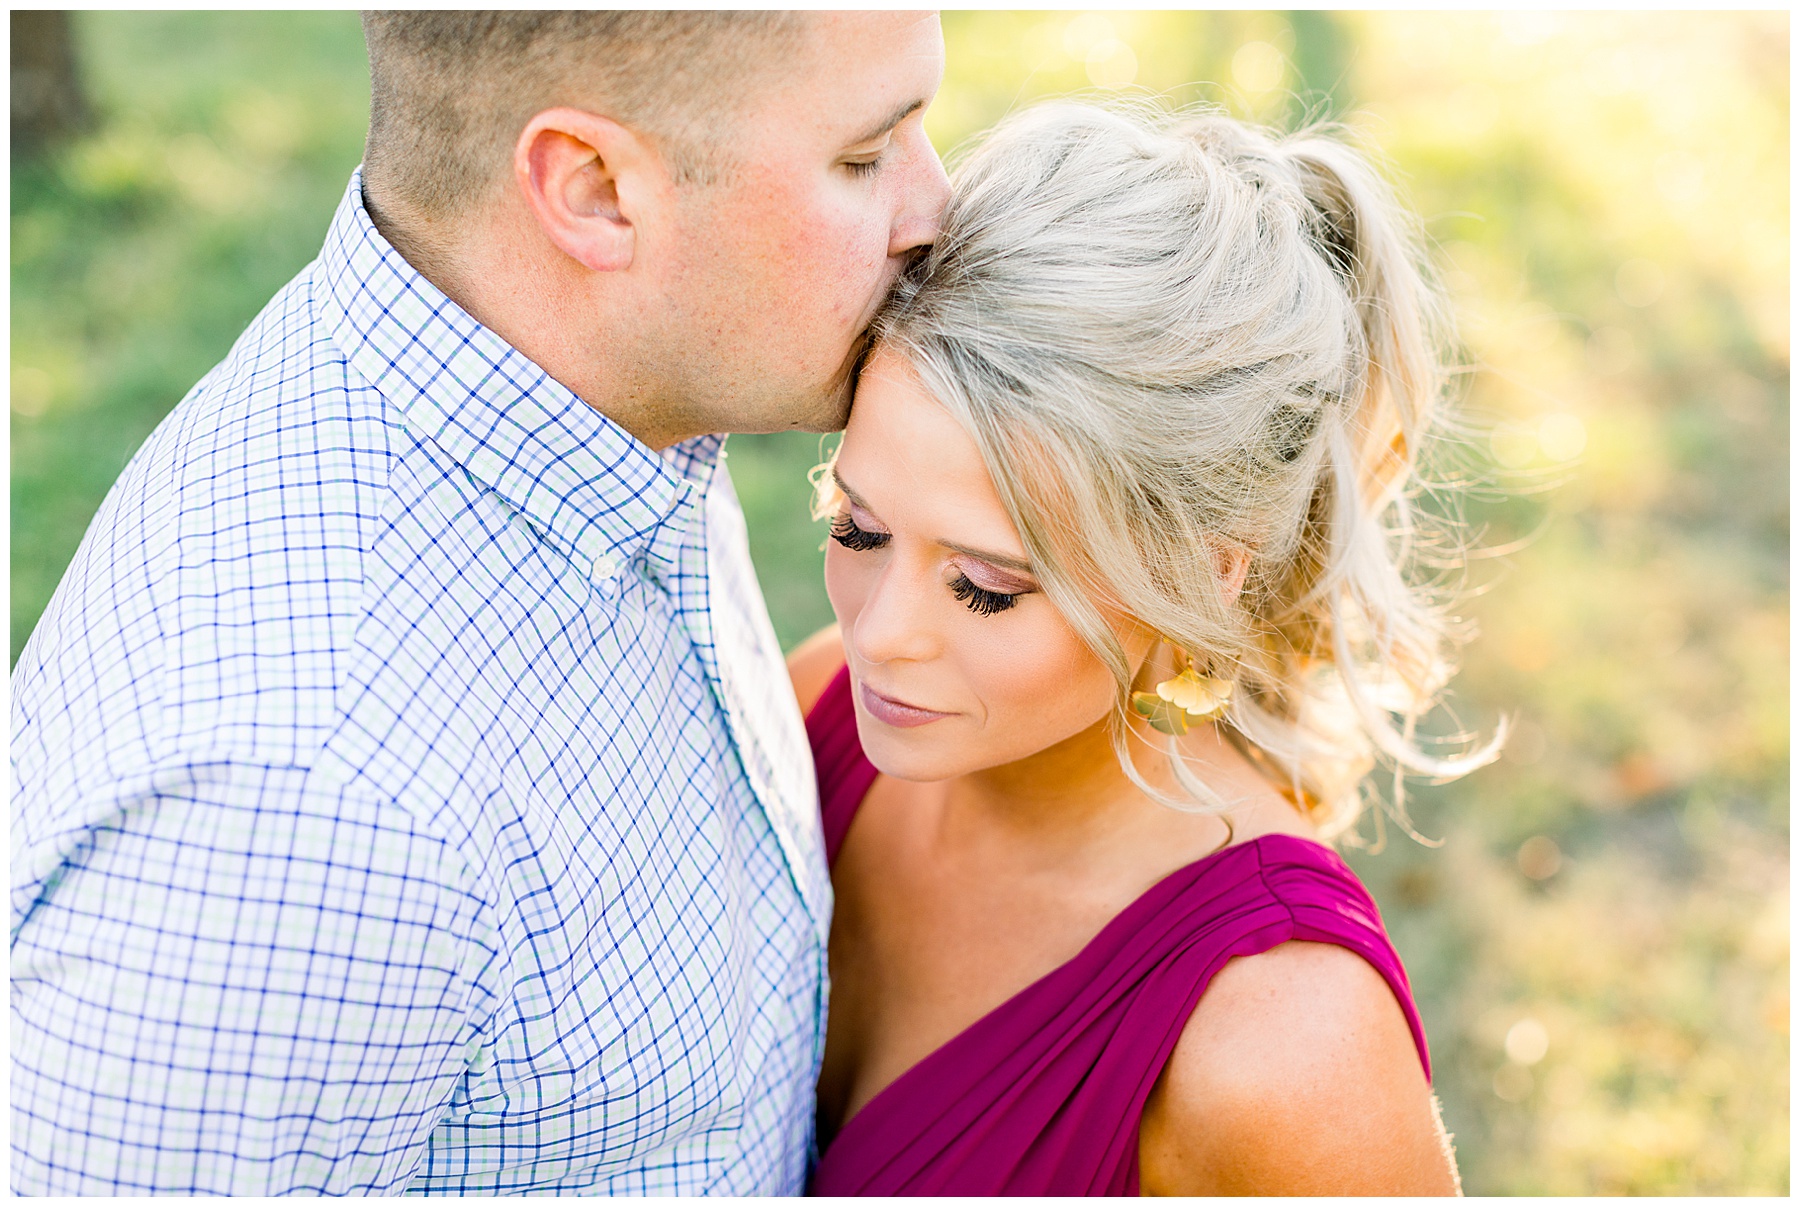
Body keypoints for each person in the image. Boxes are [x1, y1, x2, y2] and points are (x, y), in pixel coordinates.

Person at [11, 12, 949, 1195]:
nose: (935, 211)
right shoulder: (305, 806)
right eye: (866, 159)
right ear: (597, 191)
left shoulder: (617, 389)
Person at [786, 100, 1501, 1195]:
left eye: (986, 587)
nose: (879, 632)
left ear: (1201, 576)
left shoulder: (1282, 1046)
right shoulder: (816, 702)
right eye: (858, 527)